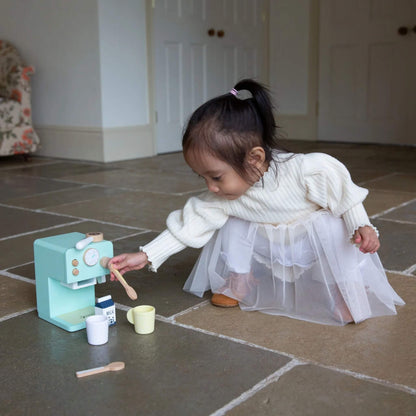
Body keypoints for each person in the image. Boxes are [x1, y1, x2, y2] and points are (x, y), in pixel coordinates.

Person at [109, 79, 404, 326]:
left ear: (255, 158)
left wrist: (362, 225)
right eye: (203, 178)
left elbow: (345, 197)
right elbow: (189, 225)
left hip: (310, 244)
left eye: (216, 177)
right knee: (232, 220)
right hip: (269, 245)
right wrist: (145, 255)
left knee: (332, 223)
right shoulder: (223, 197)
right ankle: (241, 279)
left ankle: (347, 290)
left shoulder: (307, 170)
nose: (211, 187)